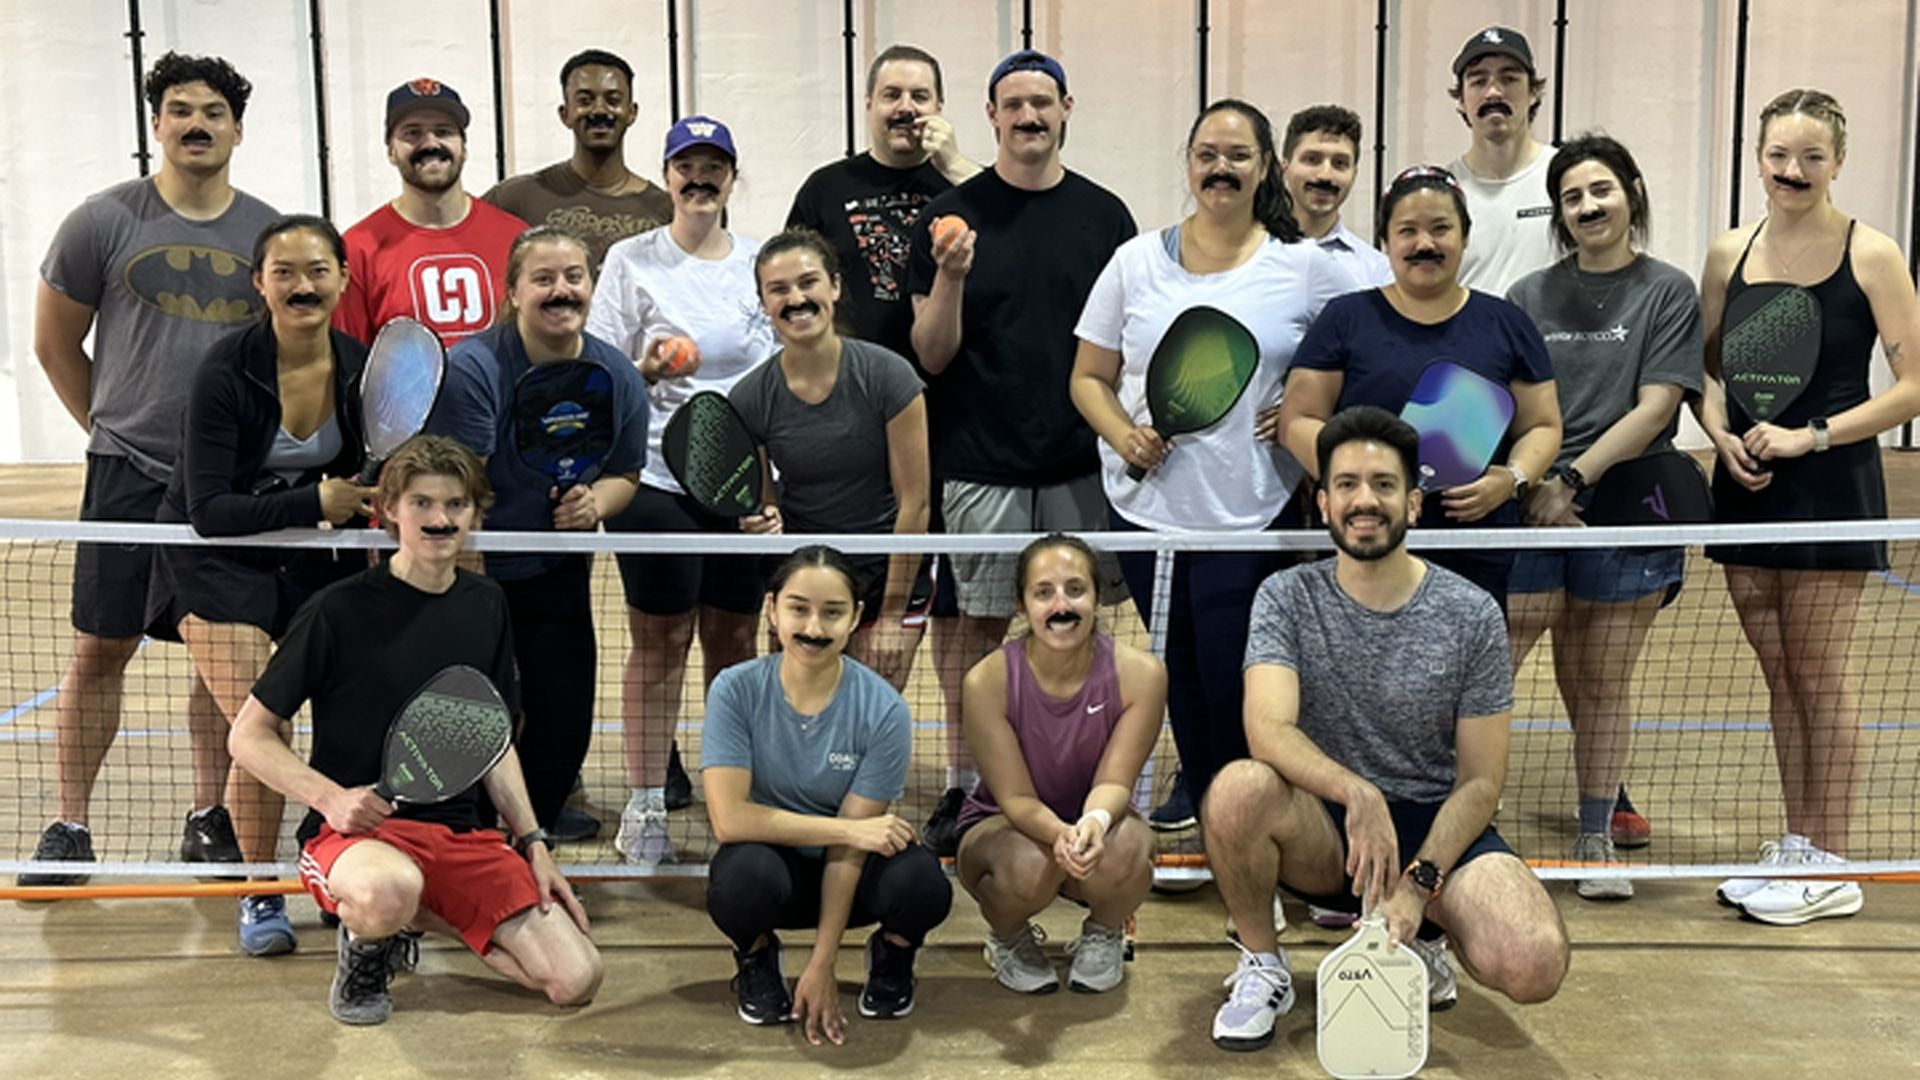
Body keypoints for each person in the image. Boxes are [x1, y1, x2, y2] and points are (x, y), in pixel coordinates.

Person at [1204, 406, 1568, 1052]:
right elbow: (1267, 729)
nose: (1363, 500)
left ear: (1414, 504)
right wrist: (1357, 793)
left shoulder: (1471, 614)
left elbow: (1482, 782)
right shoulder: (1285, 598)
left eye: (1382, 484)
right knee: (1237, 788)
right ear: (1322, 504)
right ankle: (1263, 963)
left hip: (1436, 831)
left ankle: (1422, 936)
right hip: (1330, 829)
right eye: (1346, 485)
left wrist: (1419, 884)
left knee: (1534, 961)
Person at [228, 435, 603, 1025]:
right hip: (354, 840)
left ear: (476, 514)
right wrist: (331, 799)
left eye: (455, 504)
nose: (439, 518)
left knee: (576, 979)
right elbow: (247, 735)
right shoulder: (337, 610)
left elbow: (492, 738)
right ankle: (367, 947)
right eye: (422, 503)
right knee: (386, 890)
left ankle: (405, 921)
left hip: (461, 838)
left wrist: (533, 843)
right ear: (390, 511)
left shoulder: (486, 603)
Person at [24, 51, 278, 887]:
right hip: (126, 473)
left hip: (226, 484)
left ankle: (209, 815)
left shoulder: (266, 236)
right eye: (179, 110)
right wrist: (111, 426)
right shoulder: (102, 221)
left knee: (223, 657)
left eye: (212, 111)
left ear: (237, 129)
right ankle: (70, 824)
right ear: (157, 125)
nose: (196, 123)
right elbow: (56, 345)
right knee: (100, 650)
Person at [1070, 99, 1354, 832]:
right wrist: (1123, 433)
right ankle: (1197, 787)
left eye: (1238, 155)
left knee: (1238, 668)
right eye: (1207, 153)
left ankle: (1243, 804)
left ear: (1265, 169)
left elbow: (1359, 357)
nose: (1220, 168)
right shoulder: (1135, 260)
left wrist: (1299, 408)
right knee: (1174, 668)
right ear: (1189, 164)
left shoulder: (1306, 270)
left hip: (1250, 512)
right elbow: (1088, 377)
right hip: (1145, 512)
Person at [1698, 89, 1920, 926]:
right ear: (1757, 157)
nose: (1792, 172)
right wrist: (1719, 434)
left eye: (1811, 158)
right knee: (1779, 674)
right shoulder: (1730, 252)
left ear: (1838, 162)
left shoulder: (1873, 254)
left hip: (1830, 480)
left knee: (1820, 674)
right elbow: (1710, 369)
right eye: (1778, 156)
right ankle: (1800, 842)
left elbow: (1913, 388)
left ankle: (1831, 859)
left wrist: (1813, 437)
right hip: (1748, 483)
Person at [907, 49, 1136, 854]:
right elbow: (931, 355)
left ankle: (1081, 788)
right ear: (992, 114)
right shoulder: (947, 215)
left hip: (1078, 465)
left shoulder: (1106, 217)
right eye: (1014, 104)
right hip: (980, 463)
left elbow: (1123, 348)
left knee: (1080, 629)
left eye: (1043, 103)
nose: (1029, 117)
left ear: (1066, 109)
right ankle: (970, 789)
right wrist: (951, 277)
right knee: (972, 636)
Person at [144, 214, 377, 952]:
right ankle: (260, 891)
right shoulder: (225, 370)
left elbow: (370, 471)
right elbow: (210, 509)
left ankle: (334, 868)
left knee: (346, 715)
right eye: (284, 272)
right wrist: (314, 503)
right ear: (259, 283)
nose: (302, 285)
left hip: (311, 562)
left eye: (317, 270)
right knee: (261, 722)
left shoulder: (360, 364)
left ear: (342, 278)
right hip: (216, 560)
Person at [1505, 136, 1703, 901]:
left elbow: (1658, 406)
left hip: (1625, 504)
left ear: (1632, 193)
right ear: (1560, 215)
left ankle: (1595, 834)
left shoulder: (1668, 290)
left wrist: (1574, 481)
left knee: (1601, 676)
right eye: (1572, 198)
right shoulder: (1527, 295)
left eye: (1601, 191)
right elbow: (1517, 404)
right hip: (1534, 508)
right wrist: (1536, 487)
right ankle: (1460, 821)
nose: (1588, 207)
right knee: (1498, 664)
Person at [786, 46, 980, 806]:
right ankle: (827, 775)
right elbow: (791, 288)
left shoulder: (966, 184)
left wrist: (961, 165)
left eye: (921, 94)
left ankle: (963, 787)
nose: (906, 107)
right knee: (838, 613)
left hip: (951, 412)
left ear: (941, 105)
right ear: (869, 104)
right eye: (892, 93)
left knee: (956, 624)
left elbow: (1005, 241)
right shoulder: (828, 188)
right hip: (849, 424)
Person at [587, 115, 778, 868]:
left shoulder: (761, 262)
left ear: (732, 177)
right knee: (660, 643)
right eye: (685, 166)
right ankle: (643, 809)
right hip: (655, 481)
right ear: (666, 176)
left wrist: (767, 481)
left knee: (734, 643)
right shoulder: (631, 261)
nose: (700, 178)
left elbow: (772, 381)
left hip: (737, 482)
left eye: (714, 166)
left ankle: (732, 794)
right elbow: (601, 371)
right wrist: (650, 368)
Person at [426, 226, 647, 834]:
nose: (561, 291)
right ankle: (462, 836)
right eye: (543, 279)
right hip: (478, 568)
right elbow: (454, 489)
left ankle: (530, 833)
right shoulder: (474, 369)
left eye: (573, 277)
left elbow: (627, 472)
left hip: (557, 567)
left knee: (564, 716)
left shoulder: (617, 377)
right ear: (514, 292)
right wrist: (459, 598)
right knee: (473, 712)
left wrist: (594, 504)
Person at [1279, 164, 1562, 611]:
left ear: (1464, 237)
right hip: (1365, 541)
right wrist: (1357, 486)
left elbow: (1543, 425)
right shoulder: (1344, 319)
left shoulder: (1506, 324)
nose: (1424, 244)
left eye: (1440, 229)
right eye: (1407, 230)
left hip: (1474, 545)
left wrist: (1511, 480)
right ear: (1385, 241)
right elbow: (1297, 420)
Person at [702, 545, 952, 1042]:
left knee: (922, 882)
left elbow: (849, 849)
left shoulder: (883, 711)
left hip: (850, 875)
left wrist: (823, 961)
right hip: (776, 872)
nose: (814, 628)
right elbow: (730, 821)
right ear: (772, 609)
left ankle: (893, 956)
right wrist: (850, 828)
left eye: (832, 612)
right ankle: (756, 957)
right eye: (798, 608)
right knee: (738, 880)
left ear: (856, 617)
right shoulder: (734, 690)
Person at [954, 533, 1165, 994]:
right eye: (1043, 592)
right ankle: (1007, 937)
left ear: (1097, 596)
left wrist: (1091, 823)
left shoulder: (1141, 675)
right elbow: (1014, 798)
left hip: (1097, 820)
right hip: (1004, 828)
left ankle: (1105, 931)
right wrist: (1059, 836)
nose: (1060, 605)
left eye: (1075, 589)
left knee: (1129, 848)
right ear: (1021, 604)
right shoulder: (986, 681)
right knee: (1029, 865)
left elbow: (1115, 780)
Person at [730, 228, 930, 686]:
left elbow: (915, 504)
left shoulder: (889, 377)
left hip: (886, 570)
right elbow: (766, 507)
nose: (795, 299)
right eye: (778, 290)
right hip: (806, 574)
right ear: (764, 304)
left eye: (807, 283)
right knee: (803, 711)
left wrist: (895, 616)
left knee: (871, 710)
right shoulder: (751, 398)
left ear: (834, 287)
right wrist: (762, 522)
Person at [333, 78, 528, 344]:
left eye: (444, 131)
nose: (430, 143)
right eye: (412, 133)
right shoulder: (358, 249)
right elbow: (351, 358)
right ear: (391, 151)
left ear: (464, 147)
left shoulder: (516, 238)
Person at [483, 49, 672, 275]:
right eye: (585, 100)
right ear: (565, 114)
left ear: (631, 112)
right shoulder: (516, 199)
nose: (600, 110)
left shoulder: (665, 210)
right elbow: (459, 231)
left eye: (613, 100)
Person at [1445, 26, 1557, 294]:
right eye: (1479, 81)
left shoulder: (1565, 177)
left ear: (1534, 93)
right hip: (1466, 336)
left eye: (1508, 79)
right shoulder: (1443, 190)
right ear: (1461, 99)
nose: (1493, 92)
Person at [1280, 104, 1393, 289]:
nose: (1325, 175)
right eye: (1312, 159)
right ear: (1284, 168)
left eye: (1339, 163)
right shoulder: (1249, 256)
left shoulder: (1378, 274)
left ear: (1354, 174)